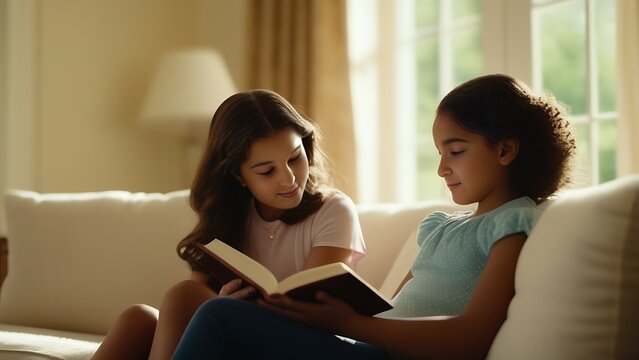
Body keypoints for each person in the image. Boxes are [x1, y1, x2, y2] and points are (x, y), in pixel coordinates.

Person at [170, 73, 577, 360]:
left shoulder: (511, 224)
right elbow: (387, 309)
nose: (441, 169)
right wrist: (340, 318)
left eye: (455, 151)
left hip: (376, 352)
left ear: (505, 151)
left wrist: (347, 324)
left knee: (218, 316)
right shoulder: (440, 226)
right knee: (193, 312)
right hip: (367, 348)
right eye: (439, 154)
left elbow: (473, 337)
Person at [90, 89, 366, 360]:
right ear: (239, 175)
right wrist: (223, 303)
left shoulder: (333, 210)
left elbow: (311, 310)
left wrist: (231, 312)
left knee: (183, 295)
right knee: (138, 318)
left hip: (304, 341)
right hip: (234, 332)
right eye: (267, 171)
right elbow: (197, 300)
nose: (289, 179)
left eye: (294, 158)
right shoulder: (228, 214)